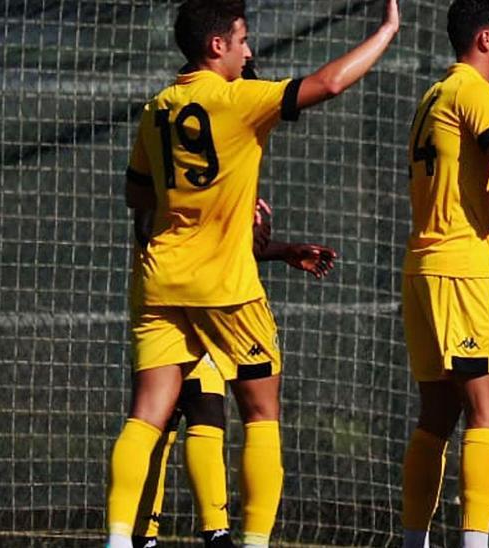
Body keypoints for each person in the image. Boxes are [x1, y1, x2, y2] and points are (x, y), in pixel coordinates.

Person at [112, 0, 399, 546]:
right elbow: (329, 83)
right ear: (217, 46)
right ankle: (253, 541)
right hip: (225, 287)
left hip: (160, 281)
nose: (249, 51)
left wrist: (209, 209)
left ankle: (119, 536)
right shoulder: (238, 98)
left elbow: (137, 198)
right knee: (261, 411)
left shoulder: (158, 108)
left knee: (147, 415)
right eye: (243, 40)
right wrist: (386, 31)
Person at [130, 200, 336, 548]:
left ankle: (215, 533)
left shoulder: (208, 170)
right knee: (160, 421)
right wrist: (235, 225)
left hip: (191, 296)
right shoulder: (173, 170)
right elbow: (150, 225)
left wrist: (273, 247)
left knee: (205, 410)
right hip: (180, 301)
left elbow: (212, 243)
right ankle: (139, 536)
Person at [397, 1, 489, 547]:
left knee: (439, 412)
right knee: (488, 405)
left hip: (426, 264)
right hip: (460, 271)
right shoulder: (474, 92)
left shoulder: (435, 94)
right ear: (484, 38)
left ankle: (412, 540)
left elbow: (479, 188)